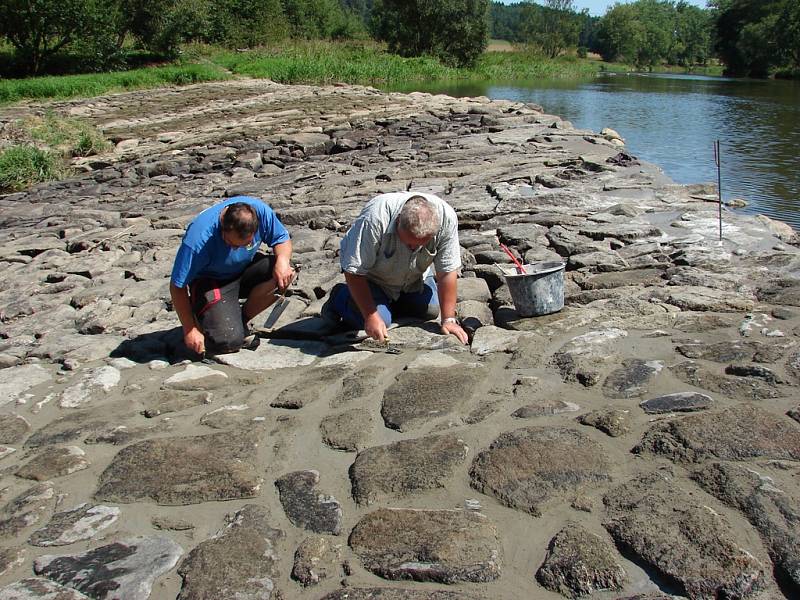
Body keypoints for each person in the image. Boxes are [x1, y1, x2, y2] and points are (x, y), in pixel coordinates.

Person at [325, 192, 468, 345]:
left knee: (431, 310)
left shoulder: (446, 219)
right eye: (409, 244)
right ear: (398, 220)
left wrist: (449, 319)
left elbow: (447, 271)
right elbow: (354, 271)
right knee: (381, 321)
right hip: (373, 279)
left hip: (414, 277)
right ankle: (340, 296)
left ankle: (387, 304)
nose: (414, 249)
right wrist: (370, 316)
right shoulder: (374, 219)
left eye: (421, 245)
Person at [170, 196, 293, 355]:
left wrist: (282, 261)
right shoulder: (199, 239)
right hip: (211, 280)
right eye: (231, 244)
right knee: (228, 342)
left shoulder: (260, 212)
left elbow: (282, 239)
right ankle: (203, 317)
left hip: (243, 269)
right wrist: (189, 329)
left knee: (286, 273)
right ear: (222, 228)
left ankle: (240, 320)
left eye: (245, 245)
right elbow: (176, 286)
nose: (235, 249)